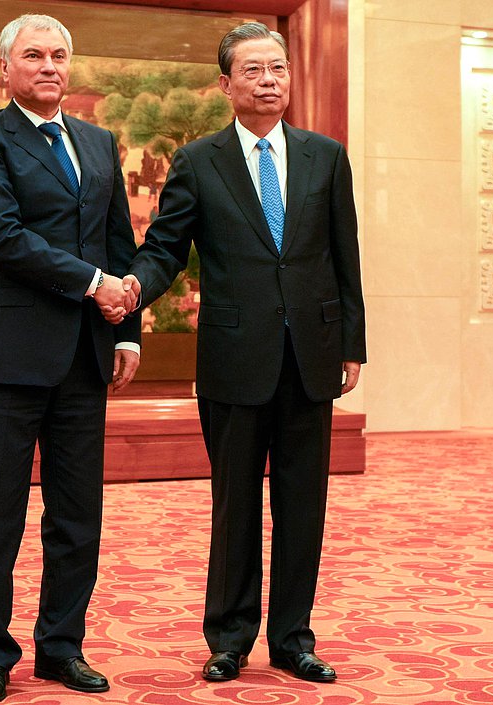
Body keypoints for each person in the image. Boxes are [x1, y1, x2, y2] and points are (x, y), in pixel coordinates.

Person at [115, 22, 366, 685]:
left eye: (278, 69)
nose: (269, 81)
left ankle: (293, 638)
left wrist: (352, 342)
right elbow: (167, 246)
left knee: (302, 505)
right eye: (253, 71)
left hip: (311, 355)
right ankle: (228, 637)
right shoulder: (200, 161)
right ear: (226, 84)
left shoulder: (326, 156)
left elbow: (345, 255)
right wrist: (135, 288)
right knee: (235, 506)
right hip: (234, 358)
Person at [0, 13, 141, 704]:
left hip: (86, 357)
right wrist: (95, 285)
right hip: (8, 357)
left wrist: (128, 331)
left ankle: (62, 647)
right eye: (33, 55)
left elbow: (119, 238)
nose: (49, 66)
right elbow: (2, 237)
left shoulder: (98, 142)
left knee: (77, 513)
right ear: (5, 68)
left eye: (59, 55)